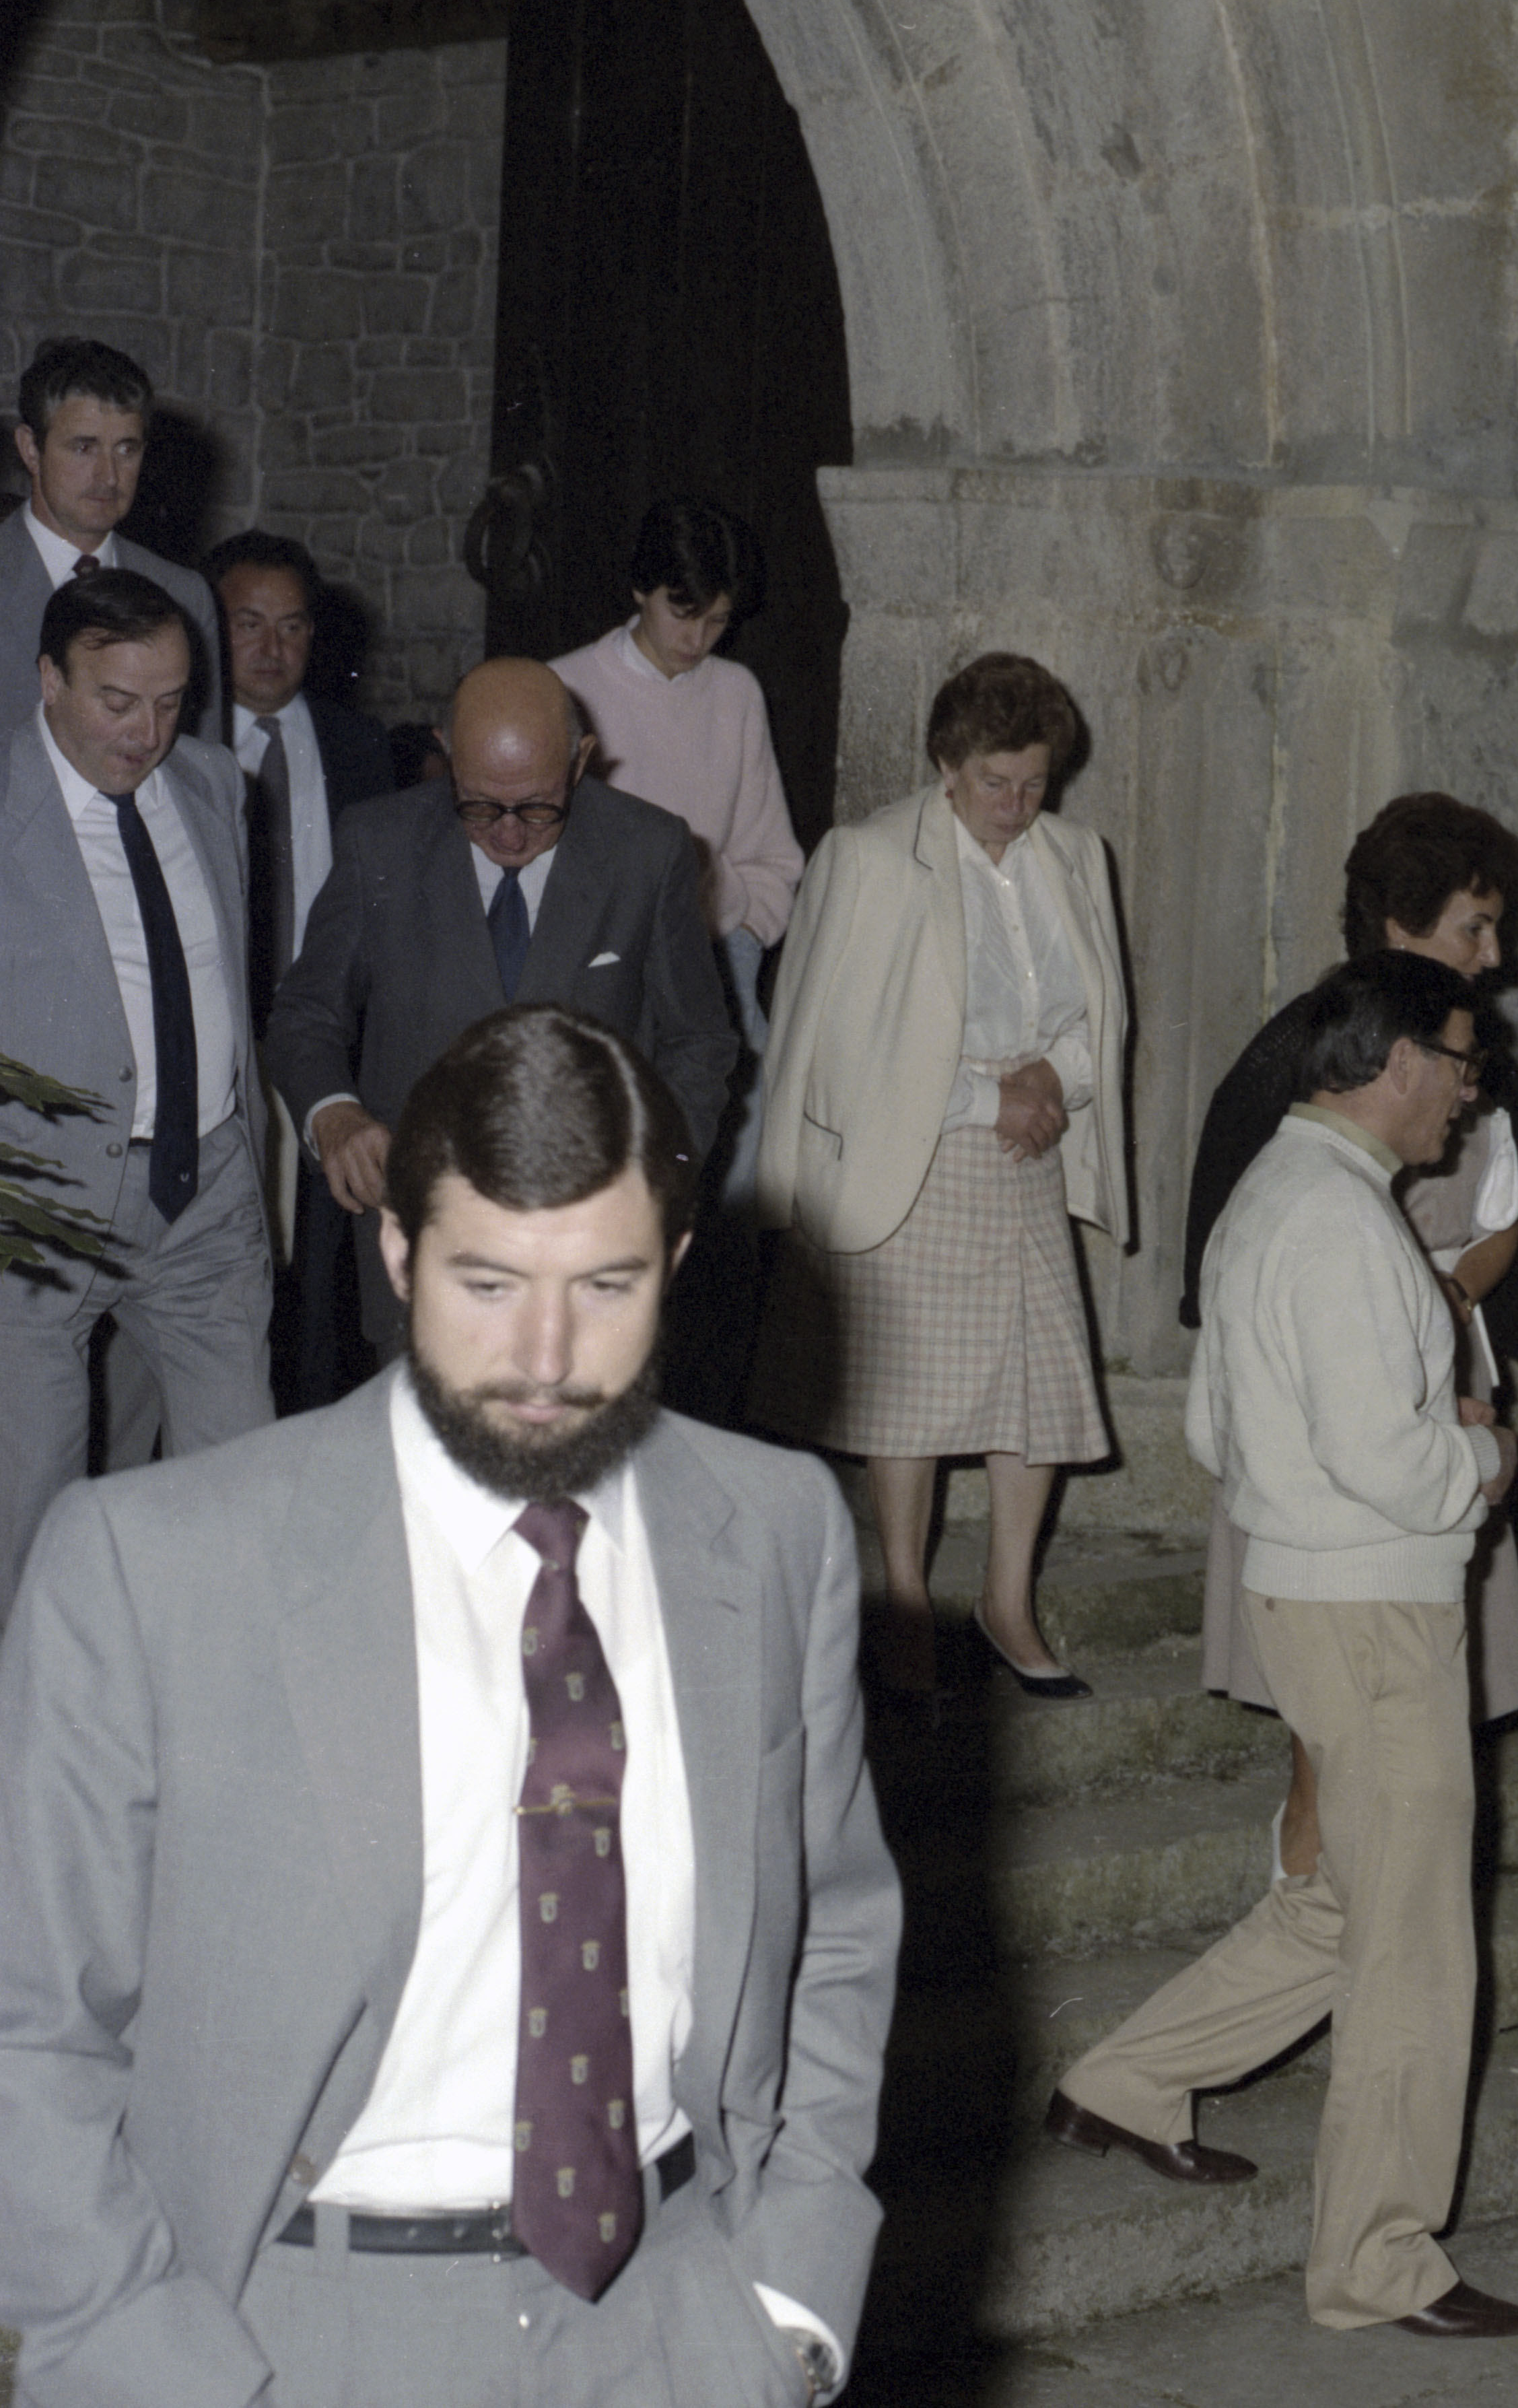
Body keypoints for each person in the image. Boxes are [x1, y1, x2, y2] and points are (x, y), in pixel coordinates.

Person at [0, 1001, 901, 2407]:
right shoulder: (153, 1566)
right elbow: (29, 2026)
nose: (545, 1353)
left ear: (673, 1263)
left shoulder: (778, 1530)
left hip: (680, 2311)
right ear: (398, 1251)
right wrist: (147, 2365)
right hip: (287, 2330)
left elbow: (835, 1924)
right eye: (488, 1283)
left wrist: (789, 2295)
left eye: (605, 1286)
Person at [1044, 953, 1518, 2340]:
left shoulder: (1277, 1188)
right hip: (1372, 1610)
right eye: (1460, 1064)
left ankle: (1127, 2081)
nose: (1466, 1093)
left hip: (1312, 1594)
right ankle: (1378, 2259)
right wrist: (1482, 1460)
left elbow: (1215, 1428)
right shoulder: (1338, 1220)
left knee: (1337, 1903)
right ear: (1400, 1062)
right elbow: (1387, 1458)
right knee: (1413, 1946)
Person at [1181, 792, 1518, 1877]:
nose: (1492, 956)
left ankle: (1366, 1919)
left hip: (1434, 1399)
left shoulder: (1477, 1057)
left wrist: (1449, 1292)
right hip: (1323, 1443)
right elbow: (1244, 1264)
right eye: (1472, 929)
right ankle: (1314, 1916)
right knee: (1334, 1743)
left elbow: (1511, 1219)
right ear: (1399, 928)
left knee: (1419, 1732)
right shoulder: (1299, 1062)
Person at [752, 651, 1126, 1703]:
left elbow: (1102, 1018)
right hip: (911, 1155)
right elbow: (838, 1045)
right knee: (910, 1398)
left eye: (1033, 783)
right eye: (992, 781)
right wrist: (983, 1099)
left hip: (1028, 1153)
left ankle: (1009, 1602)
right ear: (946, 765)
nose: (1014, 805)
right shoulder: (870, 857)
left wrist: (1054, 1076)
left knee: (1035, 1383)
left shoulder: (1075, 856)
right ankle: (909, 1603)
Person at [265, 656, 740, 1351]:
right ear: (447, 756)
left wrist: (651, 1187)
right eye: (480, 806)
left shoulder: (648, 851)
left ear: (581, 762)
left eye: (538, 807)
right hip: (420, 1236)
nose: (509, 835)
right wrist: (333, 1115)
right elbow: (306, 1014)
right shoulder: (379, 842)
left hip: (586, 1237)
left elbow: (699, 1043)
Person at [0, 569, 271, 1616]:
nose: (147, 732)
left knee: (241, 1503)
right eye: (117, 701)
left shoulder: (212, 782)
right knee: (31, 1532)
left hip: (204, 1196)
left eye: (169, 701)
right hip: (38, 1214)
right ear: (50, 679)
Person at [547, 498, 803, 1198]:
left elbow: (775, 863)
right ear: (640, 588)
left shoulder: (736, 693)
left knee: (724, 1192)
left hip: (716, 967)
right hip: (598, 974)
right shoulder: (566, 686)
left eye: (718, 622)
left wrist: (729, 915)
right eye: (682, 613)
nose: (698, 640)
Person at [208, 530, 400, 1412]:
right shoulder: (182, 743)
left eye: (291, 626)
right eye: (247, 623)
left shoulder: (359, 747)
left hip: (327, 1045)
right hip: (222, 1045)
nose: (271, 648)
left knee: (323, 1286)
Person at [1, 336, 218, 728]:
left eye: (126, 450)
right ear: (31, 449)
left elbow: (201, 762)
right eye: (84, 448)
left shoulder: (185, 597)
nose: (109, 477)